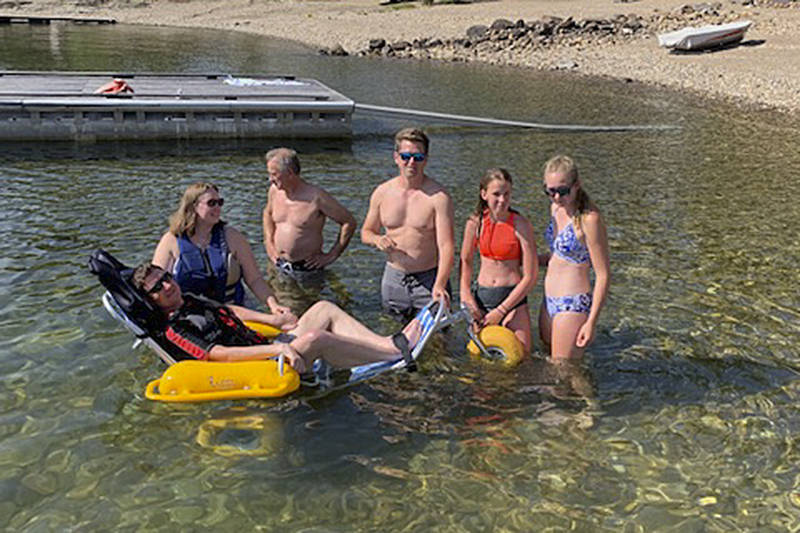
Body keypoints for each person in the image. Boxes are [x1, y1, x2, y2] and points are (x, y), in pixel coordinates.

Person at [132, 263, 424, 373]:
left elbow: (230, 311)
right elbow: (218, 355)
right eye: (157, 287)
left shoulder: (191, 300)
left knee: (323, 308)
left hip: (265, 346)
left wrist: (273, 321)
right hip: (258, 365)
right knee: (315, 338)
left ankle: (385, 343)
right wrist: (278, 348)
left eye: (167, 277)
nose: (168, 286)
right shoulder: (174, 329)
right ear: (151, 300)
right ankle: (394, 354)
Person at [152, 181, 296, 323]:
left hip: (236, 312)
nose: (218, 208)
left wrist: (273, 305)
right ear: (193, 207)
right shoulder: (171, 241)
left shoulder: (233, 237)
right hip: (190, 315)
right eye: (211, 203)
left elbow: (255, 279)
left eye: (220, 202)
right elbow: (156, 285)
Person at [361, 127, 455, 316]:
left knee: (436, 340)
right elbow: (366, 232)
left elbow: (447, 246)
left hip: (429, 279)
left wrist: (440, 284)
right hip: (394, 278)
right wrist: (378, 240)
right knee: (393, 337)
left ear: (426, 160)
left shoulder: (438, 197)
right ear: (396, 157)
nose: (411, 162)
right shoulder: (382, 193)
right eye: (406, 156)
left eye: (418, 157)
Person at [459, 168, 538, 354]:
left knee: (521, 357)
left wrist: (502, 310)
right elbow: (465, 261)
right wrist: (466, 295)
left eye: (507, 194)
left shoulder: (521, 225)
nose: (502, 200)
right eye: (496, 194)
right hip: (481, 300)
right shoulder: (475, 223)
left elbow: (531, 276)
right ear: (484, 194)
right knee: (480, 361)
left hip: (513, 300)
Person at [538, 155, 610, 359]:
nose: (557, 197)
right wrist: (530, 260)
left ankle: (590, 393)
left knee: (563, 373)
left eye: (563, 191)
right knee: (549, 363)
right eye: (550, 191)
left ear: (576, 185)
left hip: (572, 304)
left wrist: (591, 322)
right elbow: (557, 256)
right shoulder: (555, 208)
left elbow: (603, 275)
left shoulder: (589, 219)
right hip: (549, 301)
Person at [262, 147, 356, 280]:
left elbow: (348, 222)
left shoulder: (316, 198)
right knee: (278, 298)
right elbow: (267, 214)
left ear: (289, 172)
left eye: (274, 174)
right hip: (278, 263)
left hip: (308, 268)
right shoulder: (274, 191)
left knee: (308, 300)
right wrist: (269, 243)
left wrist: (331, 255)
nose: (270, 179)